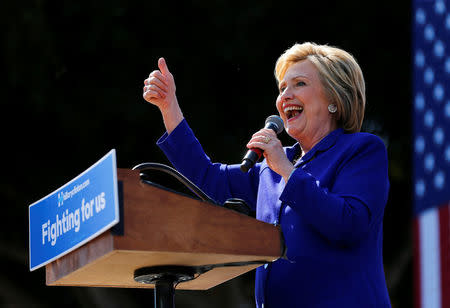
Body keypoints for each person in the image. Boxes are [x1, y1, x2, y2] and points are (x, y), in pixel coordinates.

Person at [142, 42, 391, 307]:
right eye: (282, 88)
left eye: (300, 84)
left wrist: (285, 169)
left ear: (333, 100)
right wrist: (169, 107)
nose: (285, 95)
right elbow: (207, 179)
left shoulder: (361, 150)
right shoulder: (269, 169)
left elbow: (348, 225)